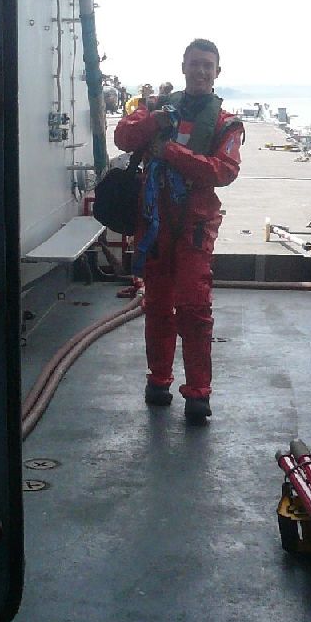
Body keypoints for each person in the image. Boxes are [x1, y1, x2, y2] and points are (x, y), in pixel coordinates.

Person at [113, 39, 243, 423]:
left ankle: (198, 392)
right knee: (157, 305)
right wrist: (155, 122)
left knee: (194, 307)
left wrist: (168, 151)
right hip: (154, 223)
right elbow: (123, 137)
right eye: (195, 64)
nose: (201, 71)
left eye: (208, 65)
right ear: (183, 67)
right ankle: (158, 380)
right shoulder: (155, 110)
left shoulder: (226, 123)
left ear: (217, 72)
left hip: (194, 227)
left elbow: (224, 171)